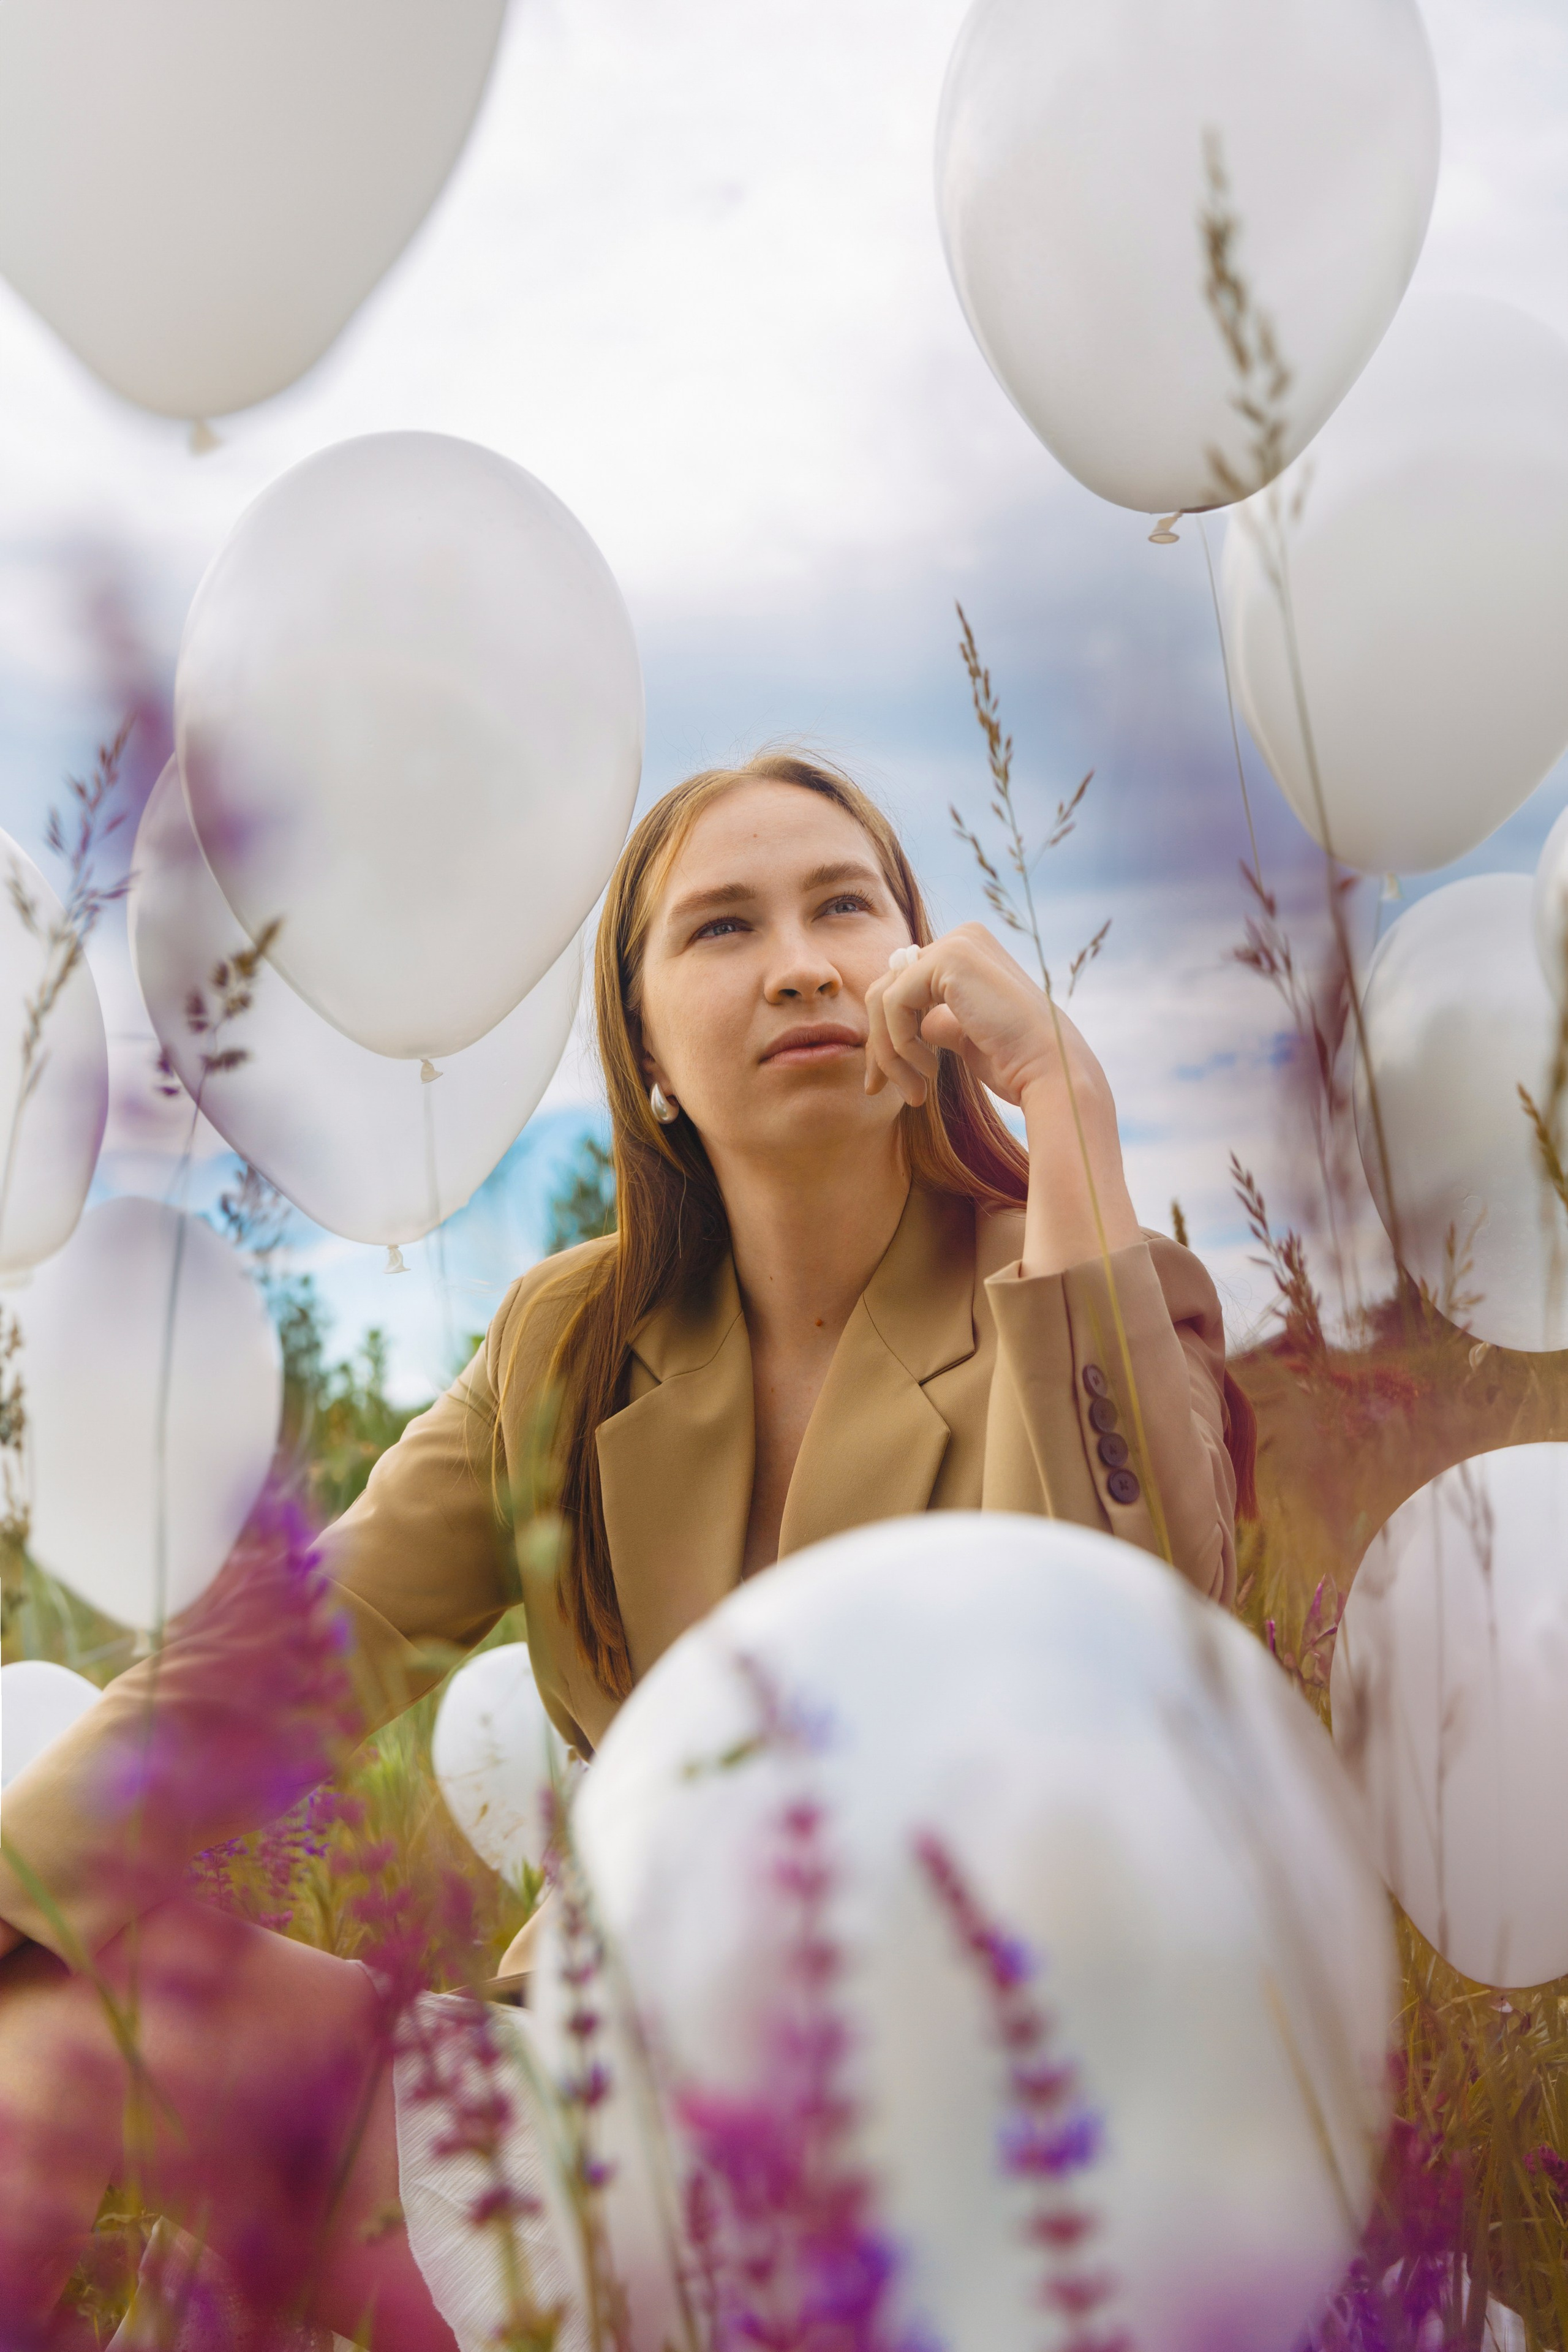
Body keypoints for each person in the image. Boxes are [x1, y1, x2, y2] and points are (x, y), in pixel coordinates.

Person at [0, 752, 1251, 2348]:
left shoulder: (1091, 1284)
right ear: (647, 1053)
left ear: (929, 985)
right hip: (586, 2106)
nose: (802, 957)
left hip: (982, 2162)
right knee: (45, 2003)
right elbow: (298, 1646)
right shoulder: (570, 1340)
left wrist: (1068, 1111)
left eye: (845, 904)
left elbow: (1124, 1647)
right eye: (722, 927)